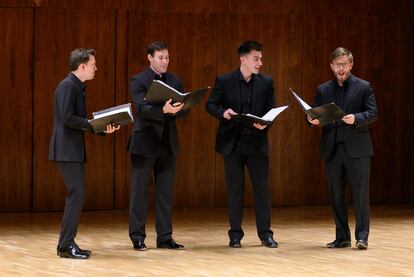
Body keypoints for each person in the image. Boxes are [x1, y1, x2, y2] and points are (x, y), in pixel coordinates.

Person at [206, 40, 278, 248]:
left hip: (257, 143)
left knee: (262, 190)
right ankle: (235, 235)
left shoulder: (266, 82)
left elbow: (271, 109)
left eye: (261, 59)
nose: (260, 63)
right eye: (256, 59)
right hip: (233, 143)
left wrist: (266, 124)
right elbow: (210, 105)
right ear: (243, 59)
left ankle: (266, 234)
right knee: (235, 189)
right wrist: (223, 113)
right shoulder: (225, 80)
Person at [49, 48, 120, 259]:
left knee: (77, 194)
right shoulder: (67, 86)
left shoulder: (75, 86)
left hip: (71, 150)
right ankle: (65, 246)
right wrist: (92, 124)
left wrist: (101, 128)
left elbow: (76, 121)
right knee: (76, 194)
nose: (96, 68)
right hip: (66, 150)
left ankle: (66, 244)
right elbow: (67, 118)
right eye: (93, 65)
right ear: (82, 66)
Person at [307, 47, 378, 250]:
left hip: (358, 149)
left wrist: (356, 118)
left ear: (351, 65)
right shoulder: (323, 89)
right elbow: (314, 113)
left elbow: (373, 113)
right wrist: (310, 119)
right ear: (331, 66)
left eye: (344, 64)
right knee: (336, 194)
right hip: (332, 148)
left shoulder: (364, 87)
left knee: (360, 194)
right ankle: (342, 237)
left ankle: (362, 237)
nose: (341, 68)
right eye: (337, 65)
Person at [128, 41, 186, 250]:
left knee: (165, 193)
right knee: (139, 192)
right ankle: (137, 236)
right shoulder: (139, 80)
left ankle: (164, 237)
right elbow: (142, 110)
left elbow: (185, 107)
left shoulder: (174, 80)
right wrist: (164, 110)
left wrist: (180, 109)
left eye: (167, 58)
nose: (165, 62)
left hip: (167, 143)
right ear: (150, 58)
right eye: (160, 58)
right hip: (145, 143)